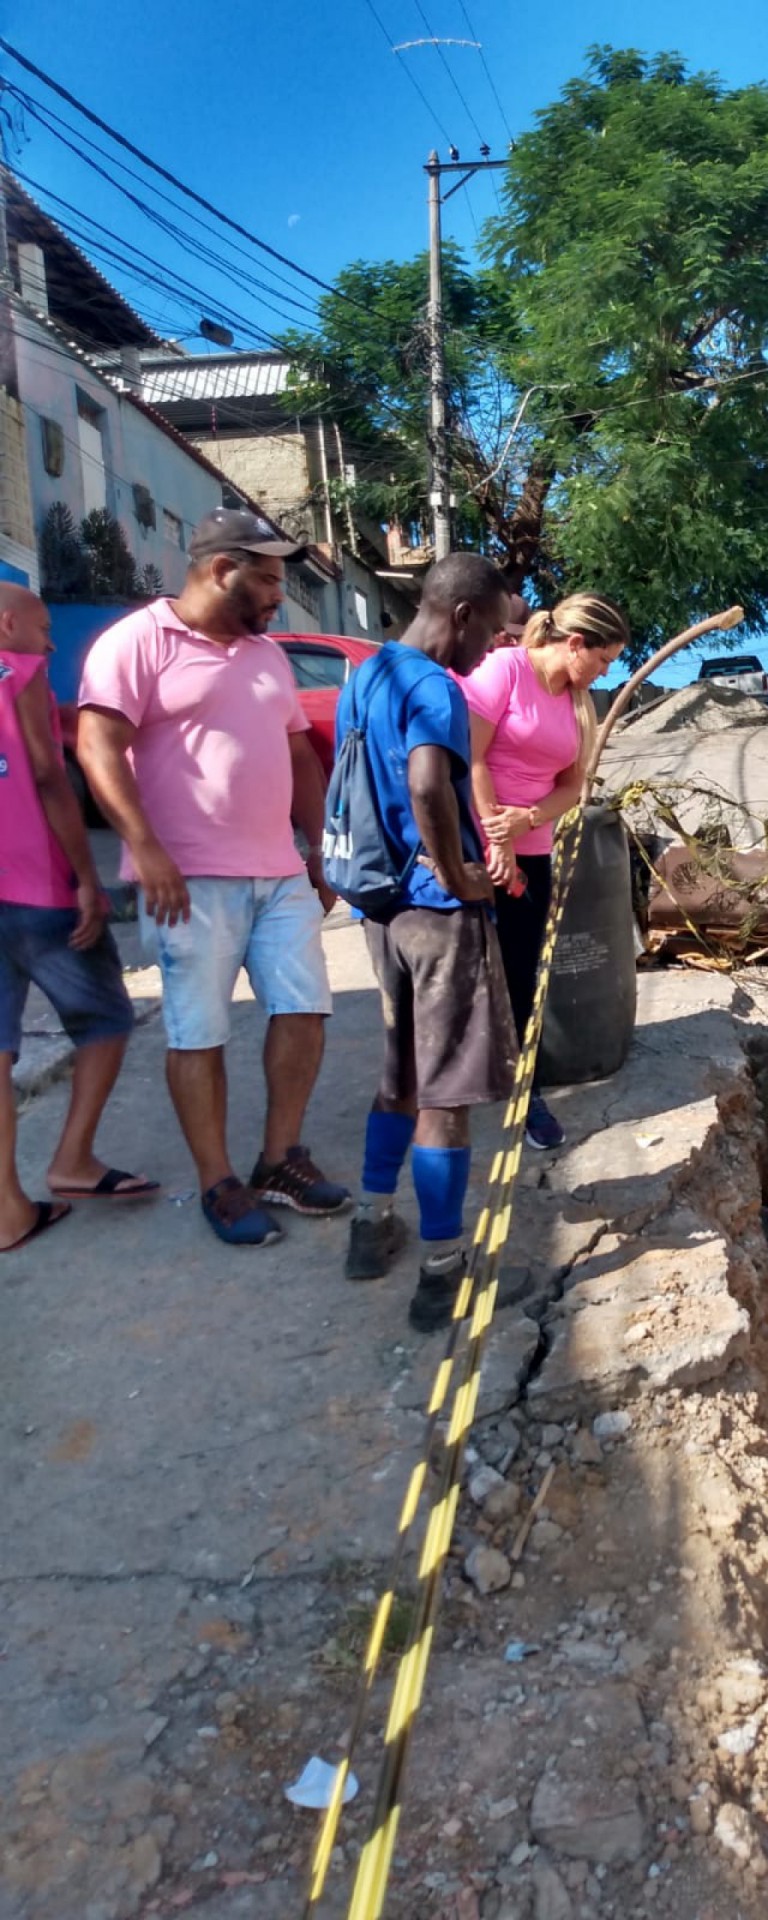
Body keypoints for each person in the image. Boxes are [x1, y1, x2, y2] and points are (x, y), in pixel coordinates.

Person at [77, 508, 348, 1250]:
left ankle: (279, 1160)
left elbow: (297, 755)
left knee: (304, 1009)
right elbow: (97, 747)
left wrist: (321, 847)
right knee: (199, 1032)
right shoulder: (135, 643)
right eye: (265, 580)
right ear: (221, 569)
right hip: (187, 879)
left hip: (278, 870)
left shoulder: (264, 656)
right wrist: (147, 848)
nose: (276, 597)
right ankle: (218, 1181)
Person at [342, 552, 519, 1326]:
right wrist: (454, 873)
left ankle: (370, 1226)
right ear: (461, 614)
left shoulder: (367, 675)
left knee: (400, 1075)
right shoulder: (433, 687)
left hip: (378, 907)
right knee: (447, 1094)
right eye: (490, 630)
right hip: (434, 913)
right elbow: (424, 783)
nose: (490, 649)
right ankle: (444, 1270)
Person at [0, 584, 153, 1253]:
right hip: (34, 885)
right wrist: (87, 878)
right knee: (106, 1018)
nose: (51, 643)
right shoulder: (18, 672)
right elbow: (45, 773)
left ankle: (7, 1209)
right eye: (43, 628)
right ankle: (73, 1160)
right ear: (6, 625)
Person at [462, 591, 629, 1151]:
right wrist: (495, 834)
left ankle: (523, 1090)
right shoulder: (506, 671)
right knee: (460, 973)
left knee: (522, 977)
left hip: (531, 853)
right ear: (575, 643)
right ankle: (450, 1091)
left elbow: (571, 786)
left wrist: (528, 820)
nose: (605, 671)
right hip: (475, 846)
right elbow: (472, 756)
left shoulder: (578, 702)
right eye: (603, 659)